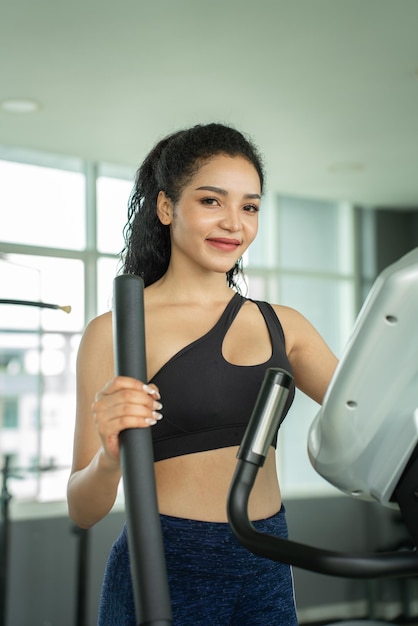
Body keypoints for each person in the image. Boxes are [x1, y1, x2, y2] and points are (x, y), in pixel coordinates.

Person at [67, 122, 338, 625]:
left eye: (249, 206)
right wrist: (109, 458)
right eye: (212, 201)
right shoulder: (115, 331)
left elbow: (371, 417)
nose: (234, 223)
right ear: (167, 207)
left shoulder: (286, 326)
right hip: (167, 563)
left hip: (268, 558)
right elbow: (83, 510)